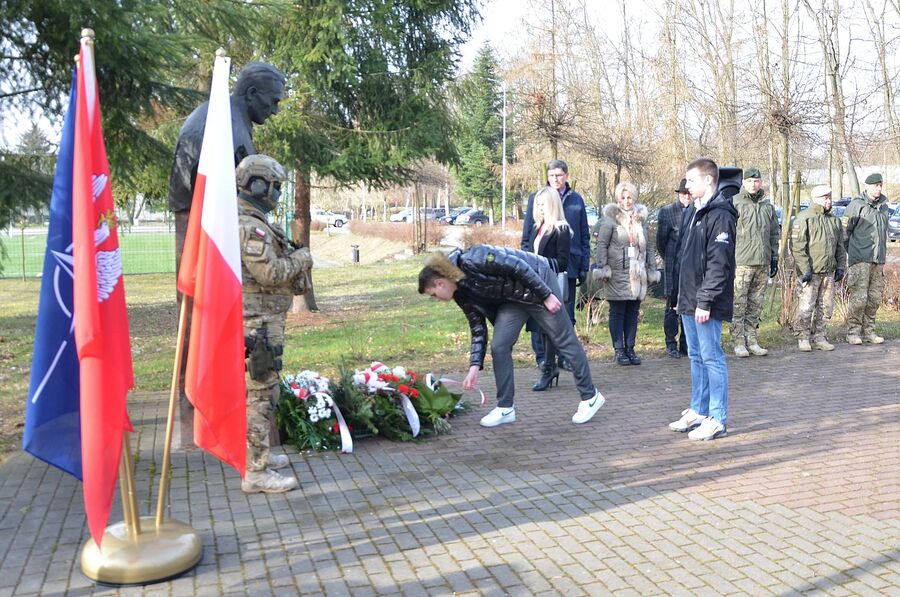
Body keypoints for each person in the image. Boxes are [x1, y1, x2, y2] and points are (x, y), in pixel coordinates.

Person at [169, 62, 286, 447]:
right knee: (205, 323)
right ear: (252, 94)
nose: (275, 109)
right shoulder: (228, 125)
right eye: (272, 101)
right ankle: (206, 421)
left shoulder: (226, 115)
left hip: (202, 222)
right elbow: (246, 195)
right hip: (204, 227)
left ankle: (204, 418)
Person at [418, 245, 605, 427]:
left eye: (434, 294)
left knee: (564, 339)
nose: (438, 300)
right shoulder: (460, 292)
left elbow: (518, 266)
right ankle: (505, 408)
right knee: (499, 345)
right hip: (514, 297)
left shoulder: (475, 258)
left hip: (538, 280)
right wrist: (474, 366)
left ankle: (590, 397)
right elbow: (477, 327)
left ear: (440, 283)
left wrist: (546, 295)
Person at [235, 154, 312, 493]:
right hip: (258, 324)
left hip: (264, 321)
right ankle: (255, 471)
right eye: (274, 186)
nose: (277, 193)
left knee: (265, 392)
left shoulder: (258, 221)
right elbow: (269, 273)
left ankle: (257, 457)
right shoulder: (250, 225)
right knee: (261, 395)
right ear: (256, 184)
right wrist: (301, 258)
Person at [668, 158, 739, 441]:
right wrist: (680, 297)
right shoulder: (693, 211)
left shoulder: (721, 214)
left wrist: (705, 300)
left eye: (692, 180)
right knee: (696, 356)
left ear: (709, 180)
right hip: (688, 299)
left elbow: (718, 263)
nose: (687, 186)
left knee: (712, 357)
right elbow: (683, 259)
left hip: (705, 302)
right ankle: (698, 410)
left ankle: (717, 417)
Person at [521, 160, 590, 370]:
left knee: (565, 315)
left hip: (567, 267)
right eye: (551, 176)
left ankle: (564, 357)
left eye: (559, 175)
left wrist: (583, 266)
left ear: (566, 176)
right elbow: (527, 237)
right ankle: (542, 358)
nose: (555, 180)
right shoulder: (537, 198)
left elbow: (584, 235)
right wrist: (528, 265)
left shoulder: (576, 200)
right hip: (539, 271)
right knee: (537, 316)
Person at [594, 182, 659, 366]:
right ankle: (619, 349)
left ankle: (630, 348)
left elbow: (649, 245)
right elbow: (601, 245)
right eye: (623, 197)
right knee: (618, 311)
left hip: (638, 272)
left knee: (633, 311)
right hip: (617, 273)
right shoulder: (610, 220)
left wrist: (651, 268)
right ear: (617, 199)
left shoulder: (641, 219)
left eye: (629, 197)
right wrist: (603, 267)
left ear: (635, 197)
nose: (626, 201)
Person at [524, 187, 572, 391]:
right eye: (538, 204)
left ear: (552, 204)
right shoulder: (537, 226)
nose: (540, 207)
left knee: (549, 329)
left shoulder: (561, 229)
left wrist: (538, 263)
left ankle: (549, 368)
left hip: (550, 285)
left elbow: (562, 262)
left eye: (543, 203)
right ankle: (548, 367)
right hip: (535, 283)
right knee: (539, 328)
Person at [730, 167, 779, 357]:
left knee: (755, 305)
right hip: (742, 262)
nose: (753, 184)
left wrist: (774, 257)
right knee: (739, 304)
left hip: (763, 261)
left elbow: (774, 233)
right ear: (743, 182)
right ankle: (738, 341)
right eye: (750, 181)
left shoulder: (767, 206)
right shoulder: (735, 203)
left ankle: (752, 339)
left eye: (757, 181)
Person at [790, 185, 846, 352]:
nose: (828, 201)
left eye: (829, 197)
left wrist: (841, 266)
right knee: (806, 307)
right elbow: (798, 247)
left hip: (828, 272)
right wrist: (804, 269)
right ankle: (803, 337)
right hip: (811, 272)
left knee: (825, 306)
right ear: (816, 199)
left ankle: (820, 336)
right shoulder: (804, 218)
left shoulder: (834, 220)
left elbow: (840, 246)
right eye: (825, 198)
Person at [843, 172, 891, 345]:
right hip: (861, 259)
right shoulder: (856, 205)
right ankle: (853, 332)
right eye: (874, 186)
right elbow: (845, 233)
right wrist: (853, 253)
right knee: (859, 298)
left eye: (880, 185)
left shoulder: (884, 206)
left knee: (874, 298)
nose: (878, 189)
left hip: (878, 260)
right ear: (867, 186)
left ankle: (869, 331)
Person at [656, 178, 693, 358]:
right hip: (673, 266)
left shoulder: (698, 211)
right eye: (683, 193)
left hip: (692, 269)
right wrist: (669, 258)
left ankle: (686, 342)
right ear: (679, 194)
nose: (687, 197)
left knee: (689, 306)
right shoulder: (667, 212)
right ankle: (670, 342)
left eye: (689, 193)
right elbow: (660, 242)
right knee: (672, 306)